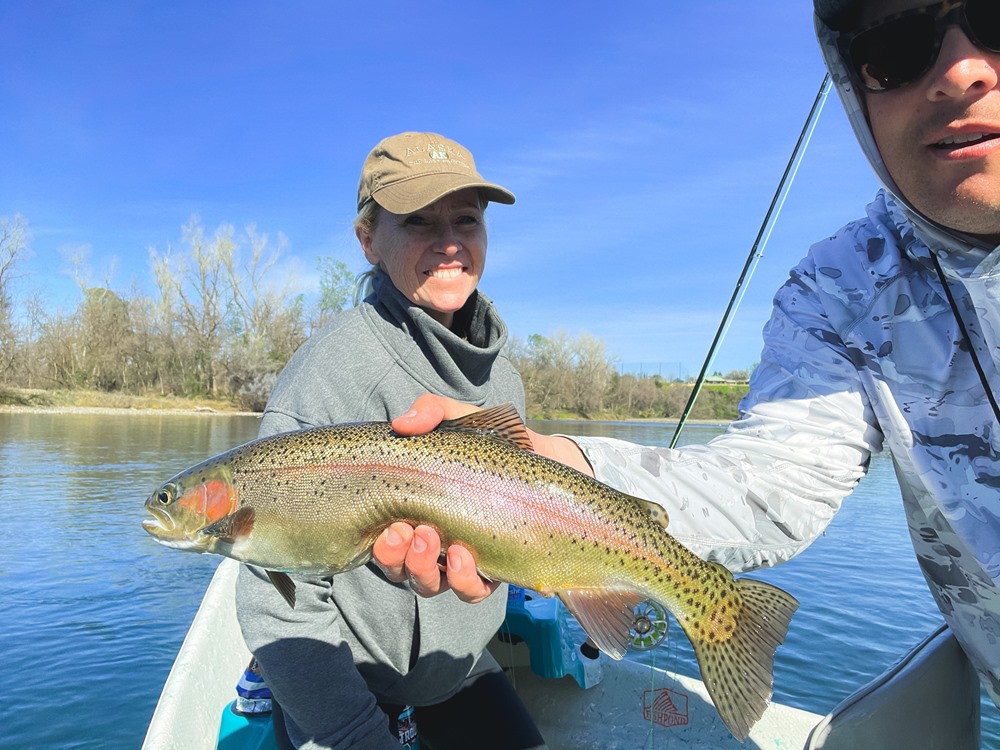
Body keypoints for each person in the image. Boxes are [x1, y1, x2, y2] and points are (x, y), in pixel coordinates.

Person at [382, 0, 1000, 725]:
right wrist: (559, 473)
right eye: (897, 50)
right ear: (855, 86)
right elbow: (771, 483)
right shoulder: (840, 288)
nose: (959, 72)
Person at [235, 131, 546, 750]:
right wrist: (356, 735)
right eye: (418, 221)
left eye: (466, 219)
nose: (450, 241)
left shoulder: (503, 374)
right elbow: (276, 601)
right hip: (353, 687)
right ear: (368, 241)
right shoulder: (328, 374)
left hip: (461, 674)